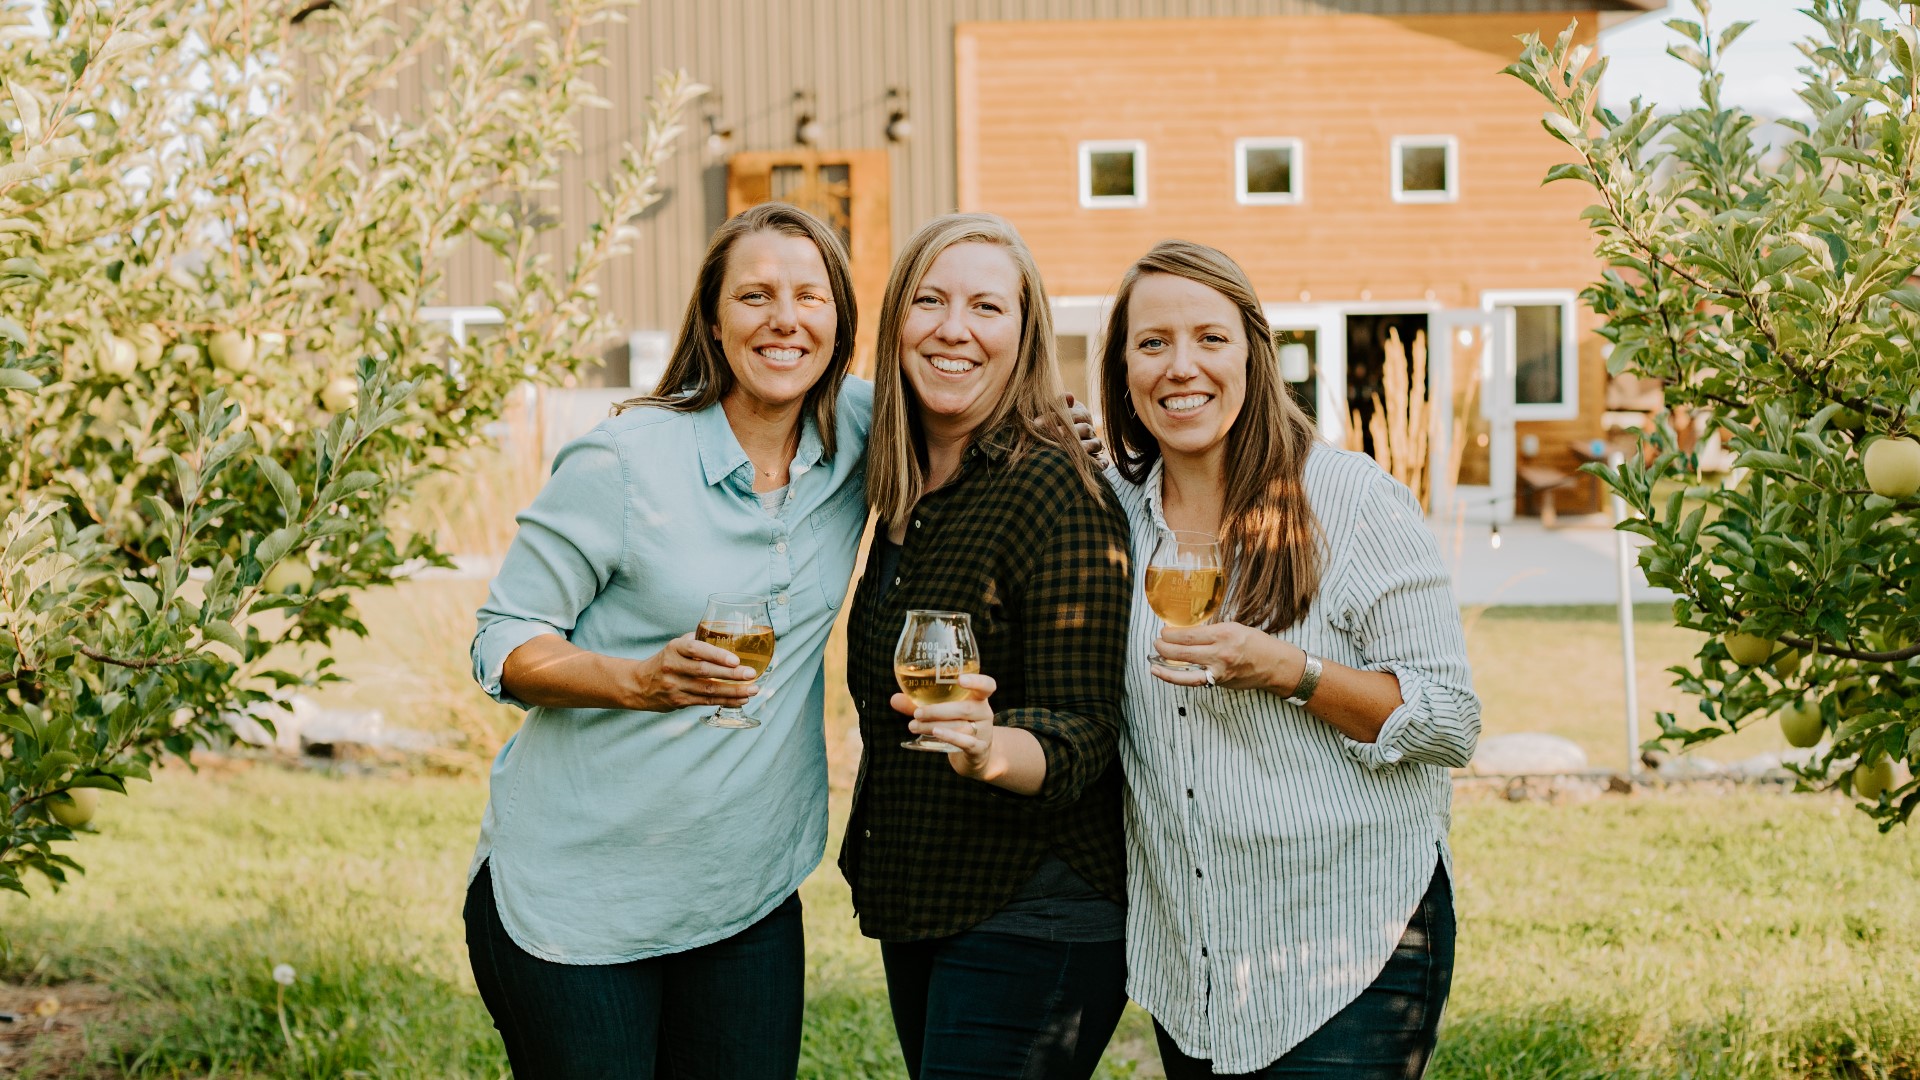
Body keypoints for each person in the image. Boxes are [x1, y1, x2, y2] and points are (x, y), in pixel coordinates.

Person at [463, 202, 869, 1079]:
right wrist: (637, 681)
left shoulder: (863, 438)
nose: (785, 318)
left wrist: (1079, 437)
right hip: (578, 896)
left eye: (810, 295)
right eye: (755, 295)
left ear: (840, 321)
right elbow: (503, 642)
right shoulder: (625, 461)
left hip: (744, 895)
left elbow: (974, 413)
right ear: (715, 322)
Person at [1098, 240, 1481, 1079]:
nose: (1180, 366)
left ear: (1253, 356)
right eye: (1152, 342)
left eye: (1210, 338)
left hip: (1349, 944)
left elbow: (1451, 721)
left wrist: (1290, 672)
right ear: (1123, 367)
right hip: (1193, 958)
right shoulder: (1108, 514)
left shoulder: (1349, 499)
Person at [837, 212, 1134, 1080]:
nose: (953, 329)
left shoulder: (1055, 486)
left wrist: (988, 749)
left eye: (986, 308)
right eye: (928, 300)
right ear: (897, 322)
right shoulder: (900, 484)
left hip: (1036, 906)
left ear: (1025, 332)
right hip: (926, 894)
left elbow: (1087, 725)